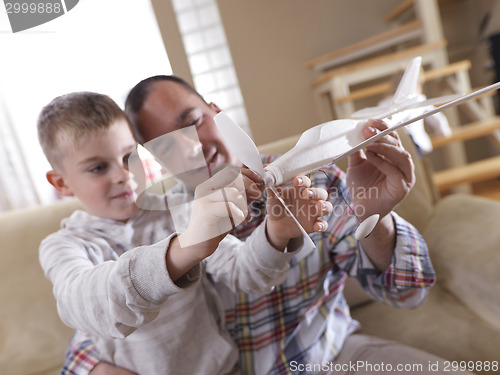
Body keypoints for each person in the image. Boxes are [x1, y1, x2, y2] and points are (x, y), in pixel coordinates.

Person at [65, 76, 464, 375]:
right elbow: (95, 320)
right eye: (168, 144)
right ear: (154, 160)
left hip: (330, 356)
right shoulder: (156, 225)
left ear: (216, 111)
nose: (193, 145)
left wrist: (374, 215)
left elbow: (408, 294)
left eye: (194, 121)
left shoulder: (315, 180)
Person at [38, 92, 332, 374]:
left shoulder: (178, 209)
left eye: (129, 156)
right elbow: (85, 304)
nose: (123, 175)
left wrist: (276, 233)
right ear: (61, 183)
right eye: (98, 167)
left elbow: (246, 273)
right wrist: (185, 249)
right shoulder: (63, 246)